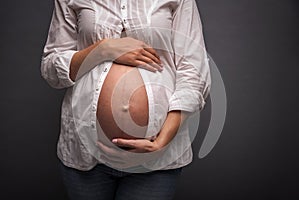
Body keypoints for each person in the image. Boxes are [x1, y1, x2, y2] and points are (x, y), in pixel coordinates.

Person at [40, 0, 211, 199]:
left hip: (156, 156)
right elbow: (51, 69)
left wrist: (163, 140)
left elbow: (193, 70)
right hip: (86, 152)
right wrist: (102, 49)